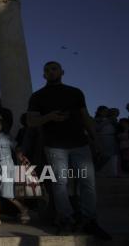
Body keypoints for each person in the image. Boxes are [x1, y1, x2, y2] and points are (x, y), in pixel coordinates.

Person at [27, 61, 111, 239]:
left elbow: (85, 117)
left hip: (80, 143)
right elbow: (31, 121)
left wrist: (96, 140)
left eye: (54, 68)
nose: (51, 72)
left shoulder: (75, 92)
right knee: (60, 184)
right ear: (43, 75)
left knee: (87, 183)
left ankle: (89, 220)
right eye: (47, 70)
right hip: (55, 146)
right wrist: (49, 117)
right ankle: (66, 218)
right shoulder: (37, 96)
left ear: (62, 72)